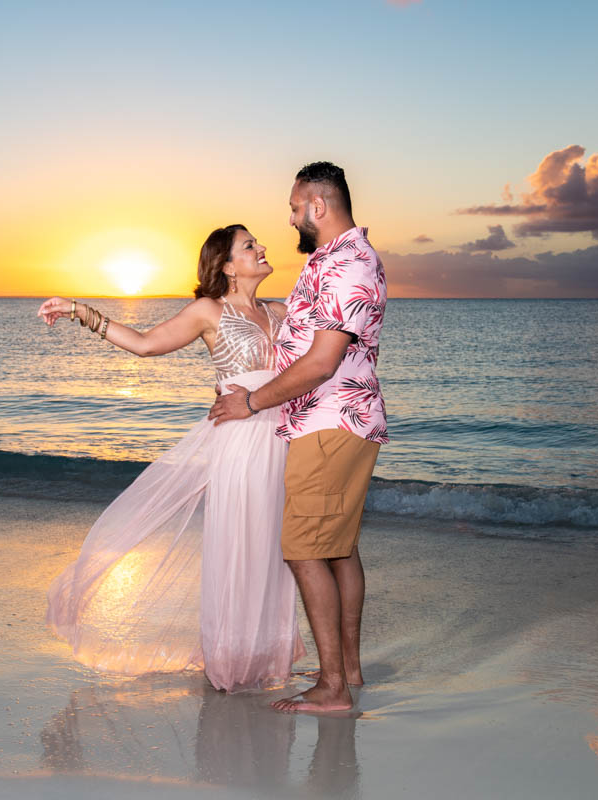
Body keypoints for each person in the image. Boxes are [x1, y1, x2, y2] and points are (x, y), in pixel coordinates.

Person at [37, 225, 304, 693]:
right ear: (227, 265)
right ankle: (230, 661)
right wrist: (82, 312)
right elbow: (145, 344)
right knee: (241, 544)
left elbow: (318, 357)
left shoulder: (281, 311)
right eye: (249, 246)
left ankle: (267, 659)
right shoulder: (209, 311)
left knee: (275, 550)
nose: (262, 248)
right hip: (241, 443)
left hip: (283, 439)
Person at [210, 162, 387, 713]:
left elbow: (321, 362)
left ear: (317, 205)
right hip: (332, 420)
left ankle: (333, 688)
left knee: (306, 549)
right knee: (339, 549)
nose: (289, 219)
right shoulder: (331, 260)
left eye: (293, 208)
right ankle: (346, 670)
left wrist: (251, 401)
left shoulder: (348, 265)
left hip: (329, 421)